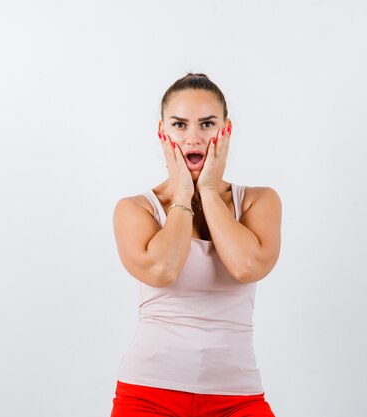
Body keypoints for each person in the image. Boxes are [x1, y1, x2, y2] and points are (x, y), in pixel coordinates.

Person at [109, 73, 282, 417]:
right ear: (162, 132)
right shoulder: (136, 209)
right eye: (179, 124)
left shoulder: (258, 202)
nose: (194, 137)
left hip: (238, 397)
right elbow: (163, 268)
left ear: (226, 130)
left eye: (207, 124)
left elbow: (247, 266)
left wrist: (207, 191)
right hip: (148, 394)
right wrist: (184, 194)